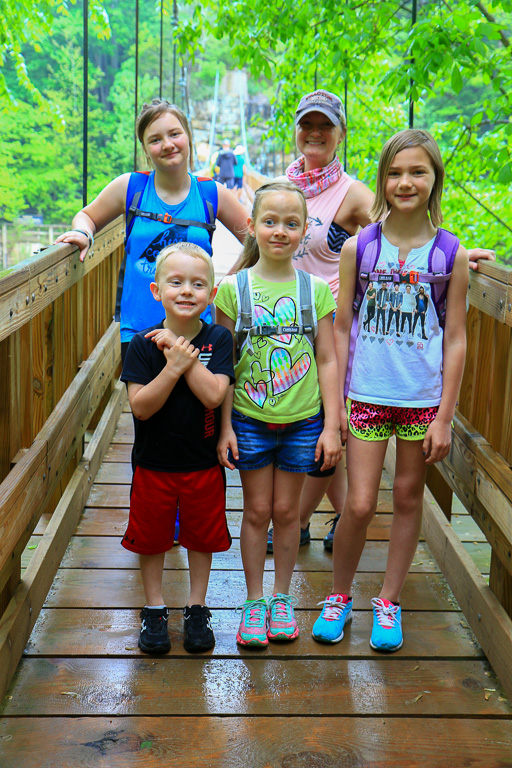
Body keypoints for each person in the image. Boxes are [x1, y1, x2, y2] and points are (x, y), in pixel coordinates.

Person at [276, 88, 495, 554]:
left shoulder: (352, 192)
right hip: (287, 329)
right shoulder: (288, 185)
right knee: (324, 435)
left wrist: (457, 255)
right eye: (307, 124)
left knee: (324, 431)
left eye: (325, 126)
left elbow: (400, 226)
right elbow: (261, 234)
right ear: (296, 129)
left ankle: (296, 521)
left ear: (340, 134)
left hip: (338, 333)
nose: (315, 133)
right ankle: (325, 517)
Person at [312, 129, 469, 653]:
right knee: (358, 503)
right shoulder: (362, 247)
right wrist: (333, 409)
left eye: (418, 171)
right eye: (396, 172)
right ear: (382, 179)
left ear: (434, 180)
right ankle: (338, 596)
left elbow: (455, 338)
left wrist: (445, 416)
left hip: (421, 398)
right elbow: (339, 328)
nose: (406, 182)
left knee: (406, 497)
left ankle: (389, 600)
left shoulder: (451, 254)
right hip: (368, 393)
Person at [215, 180, 342, 646]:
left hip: (302, 420)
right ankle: (253, 601)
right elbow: (224, 362)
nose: (280, 231)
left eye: (292, 223)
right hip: (249, 419)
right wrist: (224, 425)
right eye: (270, 222)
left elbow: (327, 358)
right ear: (251, 227)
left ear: (306, 230)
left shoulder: (315, 292)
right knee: (257, 510)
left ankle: (281, 597)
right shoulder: (233, 290)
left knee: (287, 512)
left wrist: (332, 423)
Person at [55, 99, 248, 361]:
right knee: (145, 403)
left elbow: (256, 241)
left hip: (196, 331)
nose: (167, 144)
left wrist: (227, 284)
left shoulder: (211, 194)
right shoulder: (131, 187)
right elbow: (87, 215)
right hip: (139, 330)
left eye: (175, 134)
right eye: (155, 139)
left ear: (188, 137)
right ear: (146, 149)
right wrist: (83, 232)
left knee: (196, 402)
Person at [120, 242, 235, 654]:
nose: (187, 291)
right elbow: (141, 407)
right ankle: (154, 609)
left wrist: (187, 359)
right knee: (151, 539)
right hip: (153, 464)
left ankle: (196, 606)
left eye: (198, 284)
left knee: (201, 537)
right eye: (176, 282)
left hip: (202, 463)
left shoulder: (219, 339)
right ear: (156, 291)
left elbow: (214, 396)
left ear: (211, 293)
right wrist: (172, 366)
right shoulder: (142, 344)